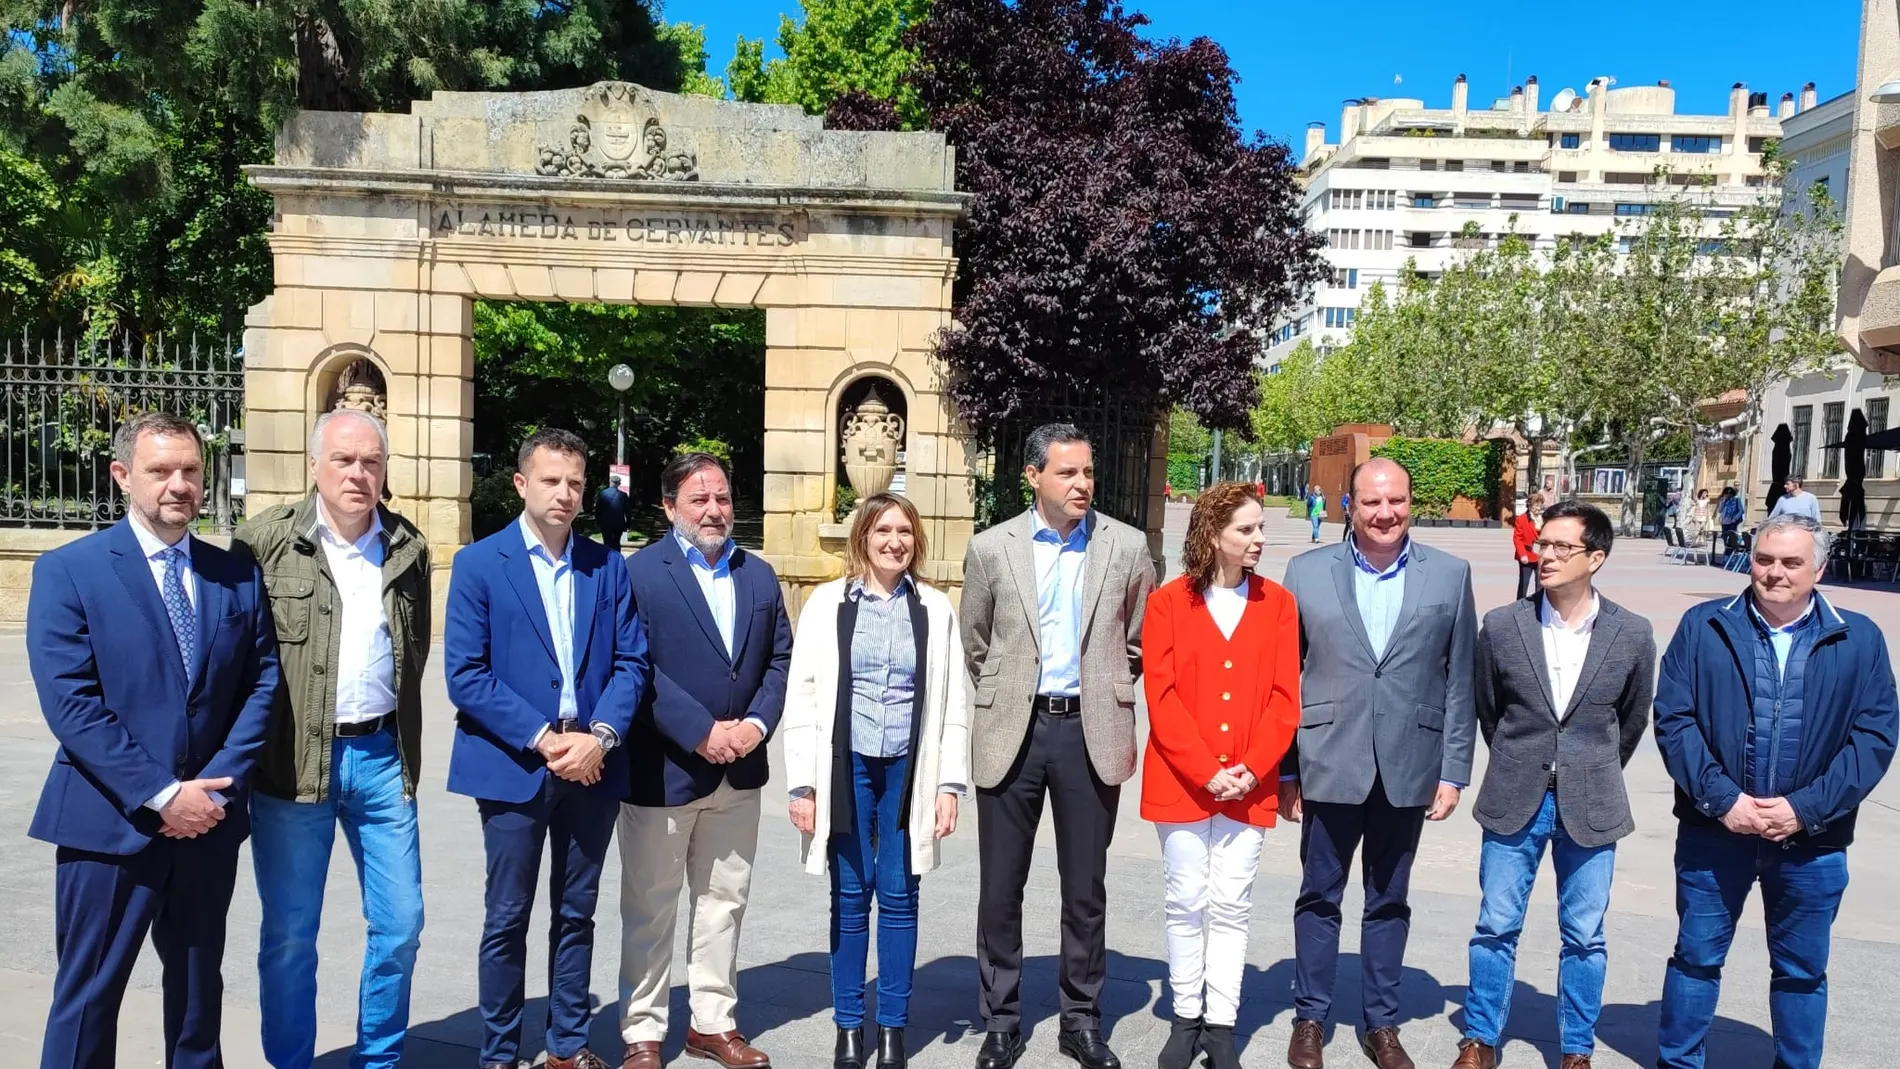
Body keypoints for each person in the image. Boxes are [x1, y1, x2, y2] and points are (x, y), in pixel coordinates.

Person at [27, 411, 281, 1069]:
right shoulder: (69, 572)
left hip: (208, 826)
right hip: (108, 825)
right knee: (87, 997)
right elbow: (71, 705)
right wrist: (163, 793)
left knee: (199, 997)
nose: (177, 484)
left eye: (190, 471)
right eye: (160, 470)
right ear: (122, 476)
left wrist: (212, 792)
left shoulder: (237, 575)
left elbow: (261, 685)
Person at [1652, 513, 1898, 1069]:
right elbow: (1674, 720)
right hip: (1715, 834)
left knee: (1802, 972)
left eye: (1792, 562)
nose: (1775, 573)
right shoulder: (1704, 625)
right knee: (1694, 960)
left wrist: (1803, 809)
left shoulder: (1859, 638)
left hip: (1812, 841)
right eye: (1765, 560)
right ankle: (1678, 1062)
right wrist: (1724, 802)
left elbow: (1875, 735)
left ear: (1819, 568)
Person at [444, 428, 650, 1069]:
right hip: (514, 765)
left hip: (592, 767)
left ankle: (568, 1046)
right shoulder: (480, 564)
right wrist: (542, 736)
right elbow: (465, 674)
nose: (564, 494)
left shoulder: (605, 565)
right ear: (521, 484)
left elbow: (632, 664)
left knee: (578, 912)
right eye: (551, 481)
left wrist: (601, 737)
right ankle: (500, 1052)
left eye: (575, 483)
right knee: (507, 916)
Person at [234, 410, 432, 1069]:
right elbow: (237, 657)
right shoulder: (262, 542)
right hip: (293, 763)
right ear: (314, 464)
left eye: (371, 461)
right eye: (344, 459)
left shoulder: (408, 544)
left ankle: (378, 1058)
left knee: (401, 923)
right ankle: (290, 1061)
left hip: (381, 758)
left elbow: (414, 650)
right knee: (290, 934)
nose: (358, 472)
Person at [960, 423, 1157, 1069]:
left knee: (1085, 888)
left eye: (1088, 472)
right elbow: (977, 639)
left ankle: (1081, 1019)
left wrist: (1104, 689)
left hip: (1089, 730)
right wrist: (1013, 689)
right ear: (1034, 475)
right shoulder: (992, 548)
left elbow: (1136, 642)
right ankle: (1002, 1020)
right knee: (1000, 888)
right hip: (1012, 730)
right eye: (1068, 472)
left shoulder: (1127, 547)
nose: (1082, 484)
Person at [1279, 457, 1478, 1069]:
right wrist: (1287, 771)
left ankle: (1381, 1024)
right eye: (1371, 503)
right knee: (1320, 895)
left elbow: (1459, 680)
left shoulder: (1448, 575)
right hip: (1328, 758)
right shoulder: (1306, 572)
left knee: (1389, 899)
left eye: (1396, 502)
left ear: (1411, 503)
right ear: (1349, 506)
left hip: (1408, 765)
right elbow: (1287, 677)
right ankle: (1310, 1018)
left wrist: (1452, 771)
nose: (1385, 514)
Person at [1452, 500, 1657, 1069]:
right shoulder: (1502, 625)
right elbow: (1489, 710)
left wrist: (1585, 765)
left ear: (1596, 557)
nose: (1544, 555)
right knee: (1495, 925)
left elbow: (1632, 720)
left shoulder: (1632, 634)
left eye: (1561, 547)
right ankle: (1479, 1038)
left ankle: (1576, 1049)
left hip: (1592, 803)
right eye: (1542, 544)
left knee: (1585, 935)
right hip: (1515, 794)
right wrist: (1527, 759)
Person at [782, 492, 971, 1069]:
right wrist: (802, 785)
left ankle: (891, 1027)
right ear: (862, 536)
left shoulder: (935, 609)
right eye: (883, 530)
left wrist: (948, 785)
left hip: (909, 770)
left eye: (905, 532)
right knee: (847, 896)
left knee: (899, 893)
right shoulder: (827, 604)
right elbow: (805, 692)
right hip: (847, 766)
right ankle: (847, 1026)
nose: (895, 542)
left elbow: (952, 701)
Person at [618, 452, 793, 1069]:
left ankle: (712, 1022)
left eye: (722, 497)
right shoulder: (639, 574)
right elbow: (633, 667)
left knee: (724, 901)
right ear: (670, 508)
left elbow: (779, 661)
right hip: (662, 771)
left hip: (738, 770)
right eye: (699, 499)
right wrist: (698, 732)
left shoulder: (760, 575)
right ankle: (642, 1031)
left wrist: (753, 725)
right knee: (650, 906)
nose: (715, 510)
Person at [1141, 483, 1300, 1069]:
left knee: (1232, 903)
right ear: (1213, 535)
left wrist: (1252, 768)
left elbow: (1286, 698)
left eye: (1260, 529)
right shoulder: (1168, 603)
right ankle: (1186, 1016)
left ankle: (1222, 1024)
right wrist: (1208, 772)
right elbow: (1163, 695)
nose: (1259, 539)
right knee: (1185, 899)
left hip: (1249, 782)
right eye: (1247, 530)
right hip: (1183, 779)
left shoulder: (1279, 604)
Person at [1511, 493, 1544, 600]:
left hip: (1540, 555)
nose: (1538, 508)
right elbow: (1517, 538)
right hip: (1527, 555)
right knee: (1524, 582)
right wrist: (1522, 555)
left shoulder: (1543, 519)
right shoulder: (1521, 519)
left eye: (1540, 505)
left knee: (1540, 582)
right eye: (1536, 505)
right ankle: (1519, 603)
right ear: (1529, 505)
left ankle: (1539, 603)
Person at [596, 473, 630, 552]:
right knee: (616, 543)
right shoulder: (623, 495)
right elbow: (627, 511)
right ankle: (617, 560)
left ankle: (607, 560)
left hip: (605, 523)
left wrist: (598, 523)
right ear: (619, 484)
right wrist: (628, 524)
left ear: (610, 482)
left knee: (607, 542)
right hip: (618, 524)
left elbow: (598, 510)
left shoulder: (602, 494)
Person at [1683, 488, 1712, 559]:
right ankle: (1694, 541)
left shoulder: (1707, 500)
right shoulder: (1698, 501)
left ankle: (1701, 540)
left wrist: (1709, 518)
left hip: (1704, 517)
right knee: (1696, 530)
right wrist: (1693, 491)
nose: (1705, 494)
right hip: (1697, 517)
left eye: (1706, 493)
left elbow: (1707, 505)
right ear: (1701, 493)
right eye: (1704, 493)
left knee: (1702, 530)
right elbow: (1695, 498)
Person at [1717, 487, 1745, 557]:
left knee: (1731, 537)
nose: (1728, 494)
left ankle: (1732, 552)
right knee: (1724, 537)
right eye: (1726, 493)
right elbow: (1720, 510)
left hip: (1732, 521)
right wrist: (1722, 501)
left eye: (1729, 493)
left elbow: (1741, 510)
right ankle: (1727, 552)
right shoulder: (1724, 500)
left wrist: (1735, 518)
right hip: (1724, 521)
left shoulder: (1736, 499)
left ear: (1732, 493)